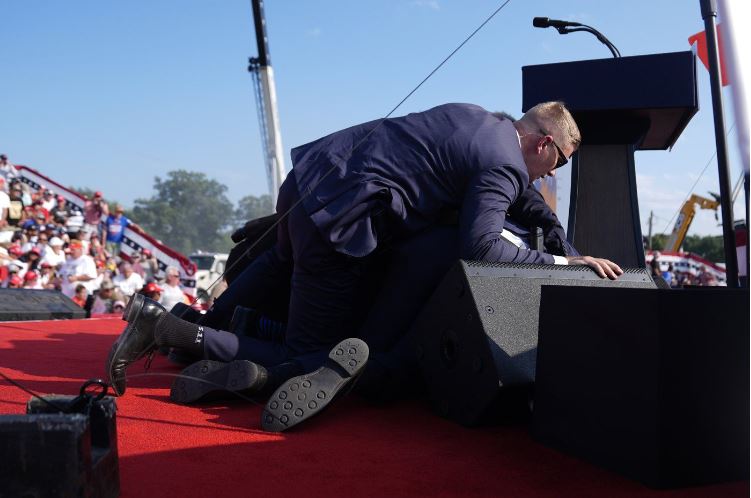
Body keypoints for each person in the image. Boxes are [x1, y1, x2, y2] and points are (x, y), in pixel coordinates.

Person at [105, 102, 622, 431]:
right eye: (556, 165)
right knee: (303, 350)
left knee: (279, 260)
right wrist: (563, 260)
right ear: (543, 143)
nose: (543, 178)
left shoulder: (478, 119)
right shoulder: (506, 163)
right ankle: (169, 329)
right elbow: (482, 246)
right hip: (343, 220)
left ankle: (201, 326)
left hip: (309, 181)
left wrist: (554, 229)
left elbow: (517, 195)